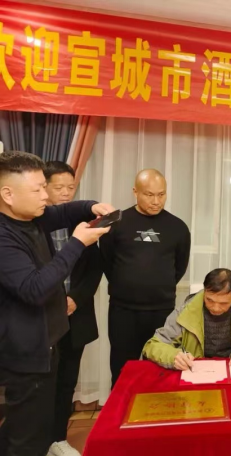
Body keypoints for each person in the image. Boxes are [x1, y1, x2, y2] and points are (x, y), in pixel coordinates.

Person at [0, 151, 113, 456]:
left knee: (32, 426)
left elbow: (64, 212)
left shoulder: (30, 217)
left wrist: (91, 206)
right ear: (8, 194)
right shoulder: (4, 236)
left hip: (48, 344)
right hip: (26, 354)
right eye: (37, 189)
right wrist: (77, 243)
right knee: (27, 437)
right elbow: (34, 289)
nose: (45, 196)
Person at [100, 169, 191, 386]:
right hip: (123, 311)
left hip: (162, 310)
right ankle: (122, 408)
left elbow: (179, 267)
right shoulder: (116, 222)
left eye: (161, 194)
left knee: (161, 369)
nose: (156, 201)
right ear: (135, 192)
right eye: (149, 195)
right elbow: (106, 262)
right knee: (122, 369)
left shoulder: (178, 227)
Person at [44, 162, 103, 457]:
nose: (66, 193)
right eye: (59, 187)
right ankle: (35, 439)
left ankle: (58, 438)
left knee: (67, 380)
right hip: (42, 318)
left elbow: (94, 268)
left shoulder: (82, 221)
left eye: (71, 187)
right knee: (40, 384)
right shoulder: (31, 223)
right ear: (43, 187)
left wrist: (75, 298)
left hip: (74, 314)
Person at [143, 269, 231, 369]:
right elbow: (152, 345)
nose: (216, 308)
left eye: (223, 303)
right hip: (197, 370)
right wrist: (173, 356)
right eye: (210, 300)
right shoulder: (186, 311)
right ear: (205, 290)